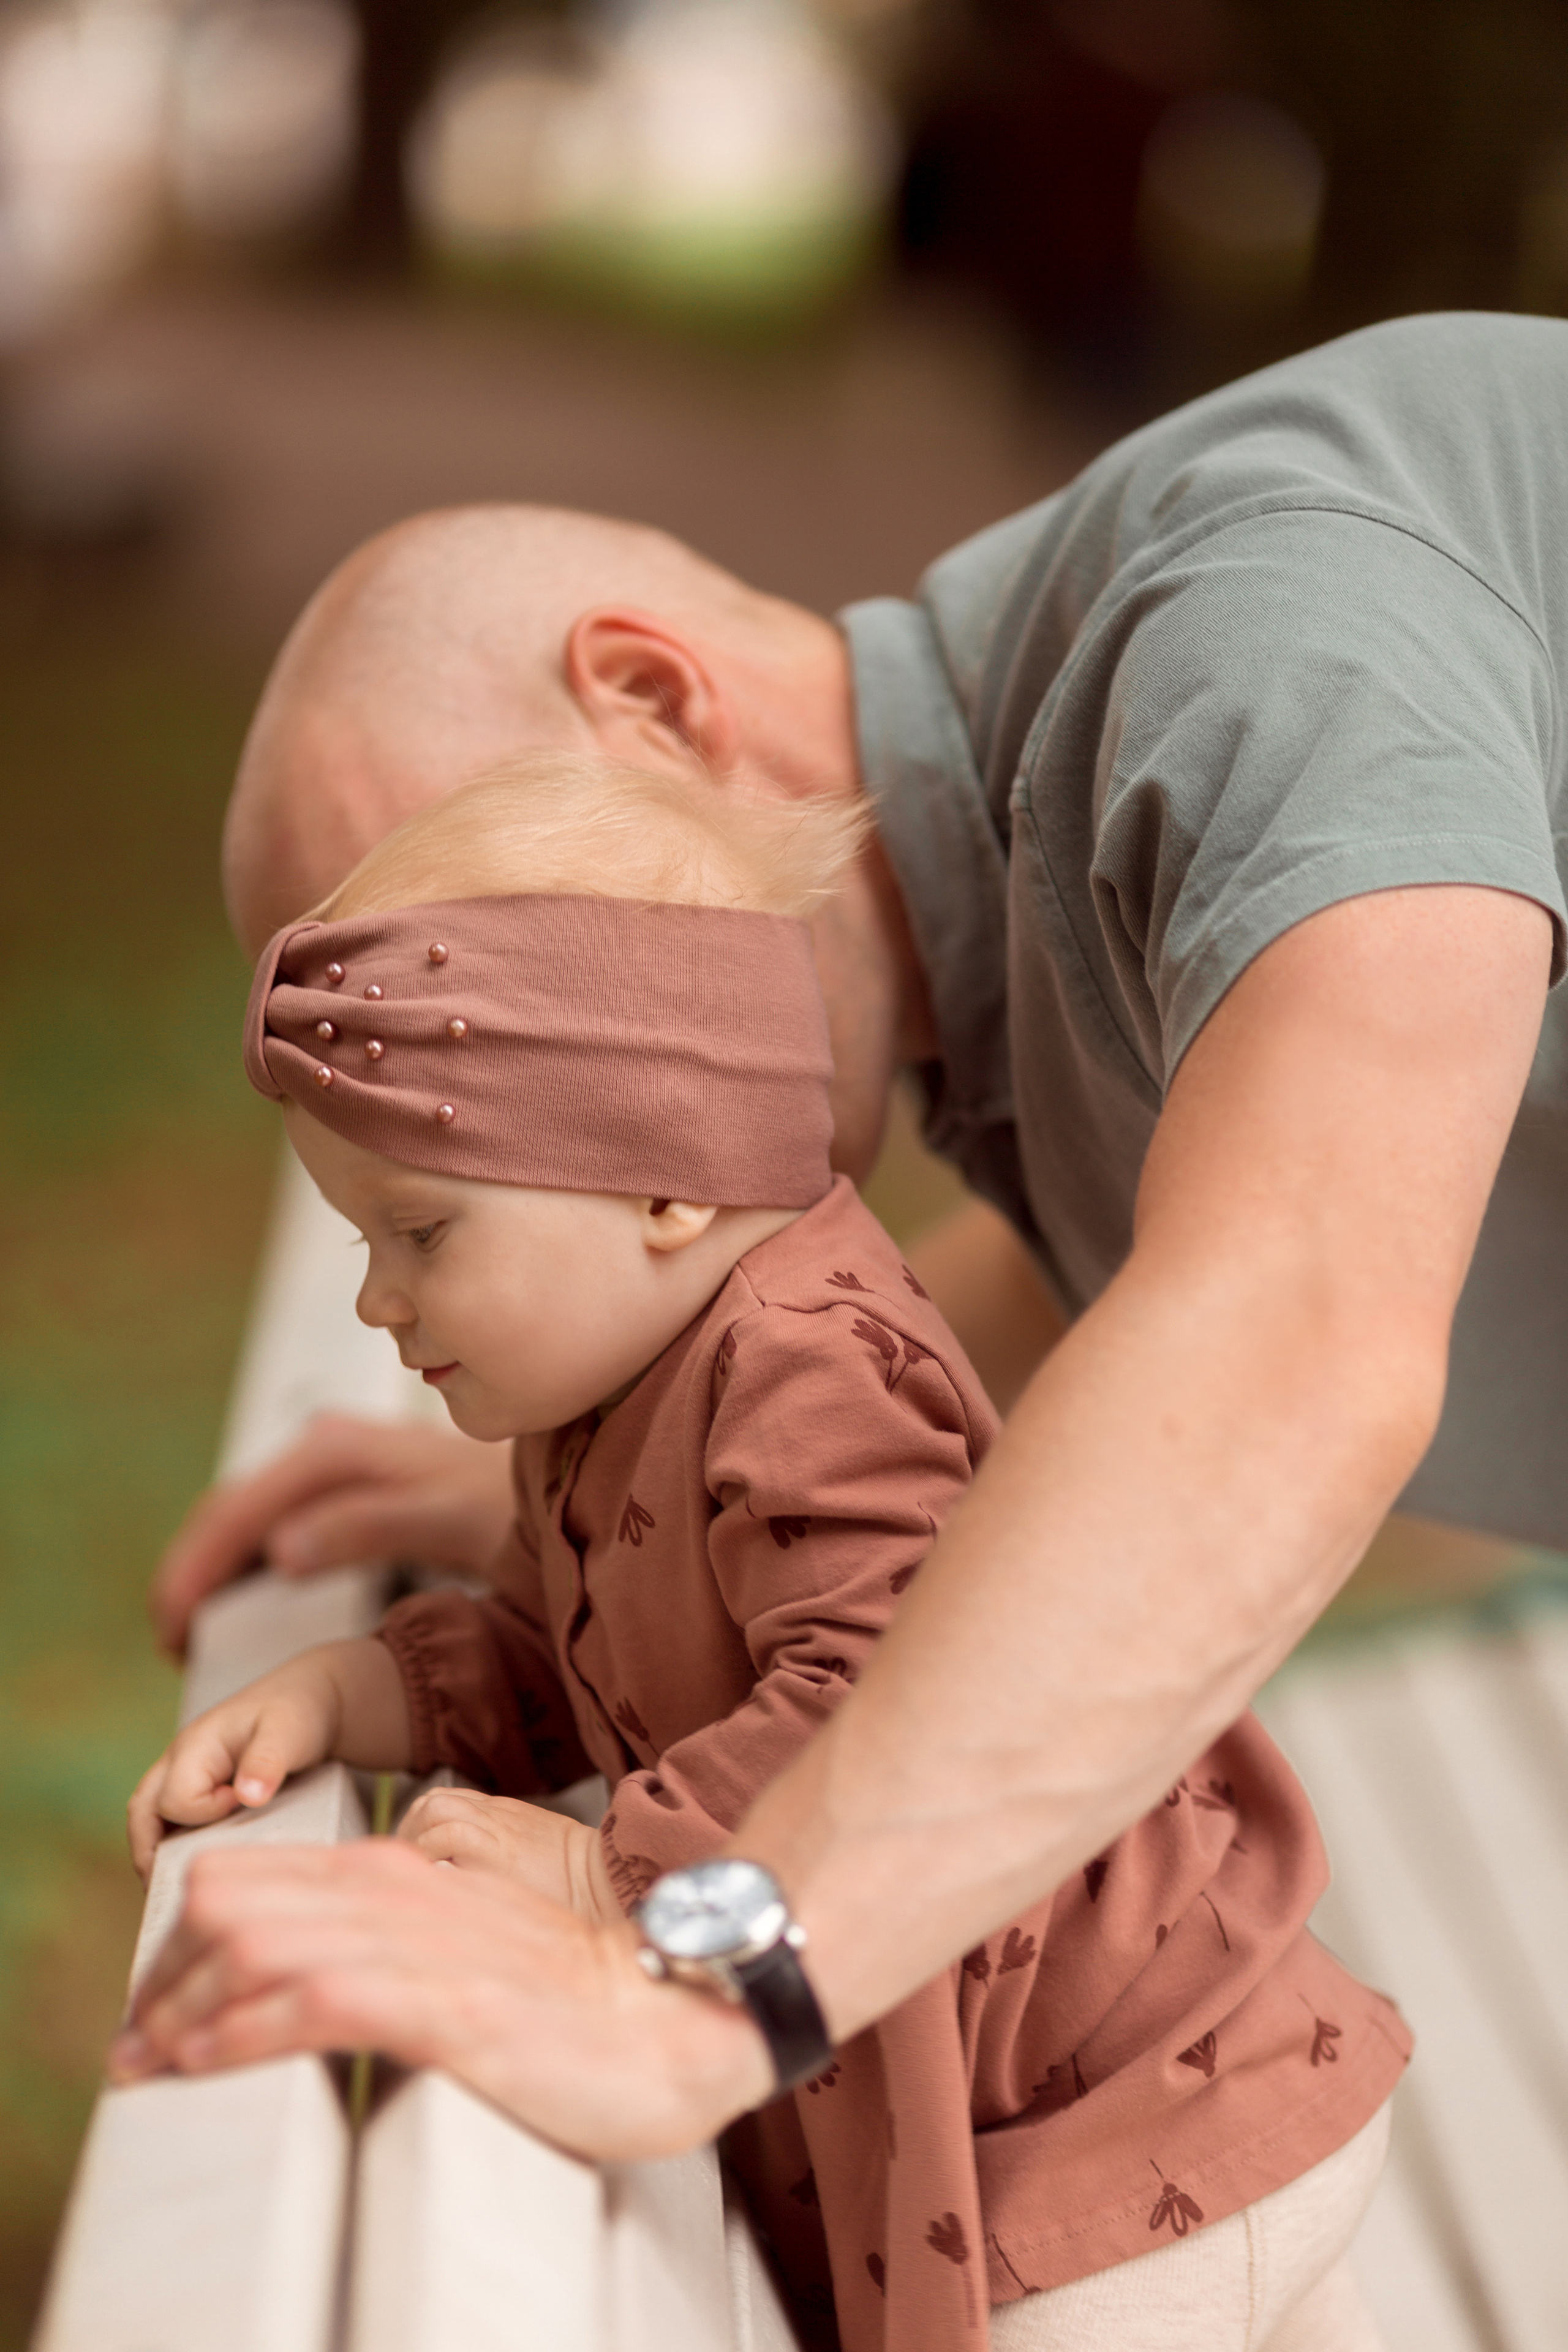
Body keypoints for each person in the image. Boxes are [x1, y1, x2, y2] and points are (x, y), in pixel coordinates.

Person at [119, 312, 1559, 2234]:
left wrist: (711, 1978)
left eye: (463, 980)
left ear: (652, 700)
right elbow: (1148, 1280)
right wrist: (633, 1489)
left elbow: (1290, 1334)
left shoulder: (1264, 628)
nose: (454, 1115)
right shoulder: (1051, 906)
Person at [127, 756, 1403, 2350]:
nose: (384, 1300)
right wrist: (348, 1693)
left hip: (1115, 2155)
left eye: (424, 1233)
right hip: (1186, 2109)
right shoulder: (614, 1390)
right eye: (367, 1243)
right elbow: (576, 1658)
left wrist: (618, 1874)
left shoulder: (800, 1370)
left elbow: (896, 1687)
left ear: (663, 1180)